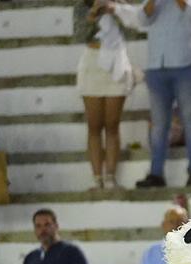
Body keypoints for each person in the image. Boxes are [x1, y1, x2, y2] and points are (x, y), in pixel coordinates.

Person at [136, 0, 191, 189]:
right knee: (159, 124)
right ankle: (156, 173)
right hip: (157, 64)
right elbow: (143, 19)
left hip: (187, 64)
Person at [77, 0, 137, 191]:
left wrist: (117, 10)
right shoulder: (82, 6)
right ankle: (97, 178)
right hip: (93, 61)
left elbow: (133, 30)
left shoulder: (122, 4)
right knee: (94, 125)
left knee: (112, 124)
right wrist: (93, 15)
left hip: (117, 60)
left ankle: (110, 177)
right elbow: (79, 35)